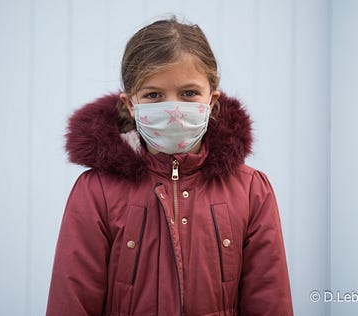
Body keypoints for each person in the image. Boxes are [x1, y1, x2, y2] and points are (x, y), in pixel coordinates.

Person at [46, 17, 293, 316]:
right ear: (130, 104)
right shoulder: (96, 192)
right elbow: (72, 301)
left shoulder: (252, 191)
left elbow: (269, 300)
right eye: (153, 95)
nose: (174, 109)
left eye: (189, 93)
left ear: (212, 102)